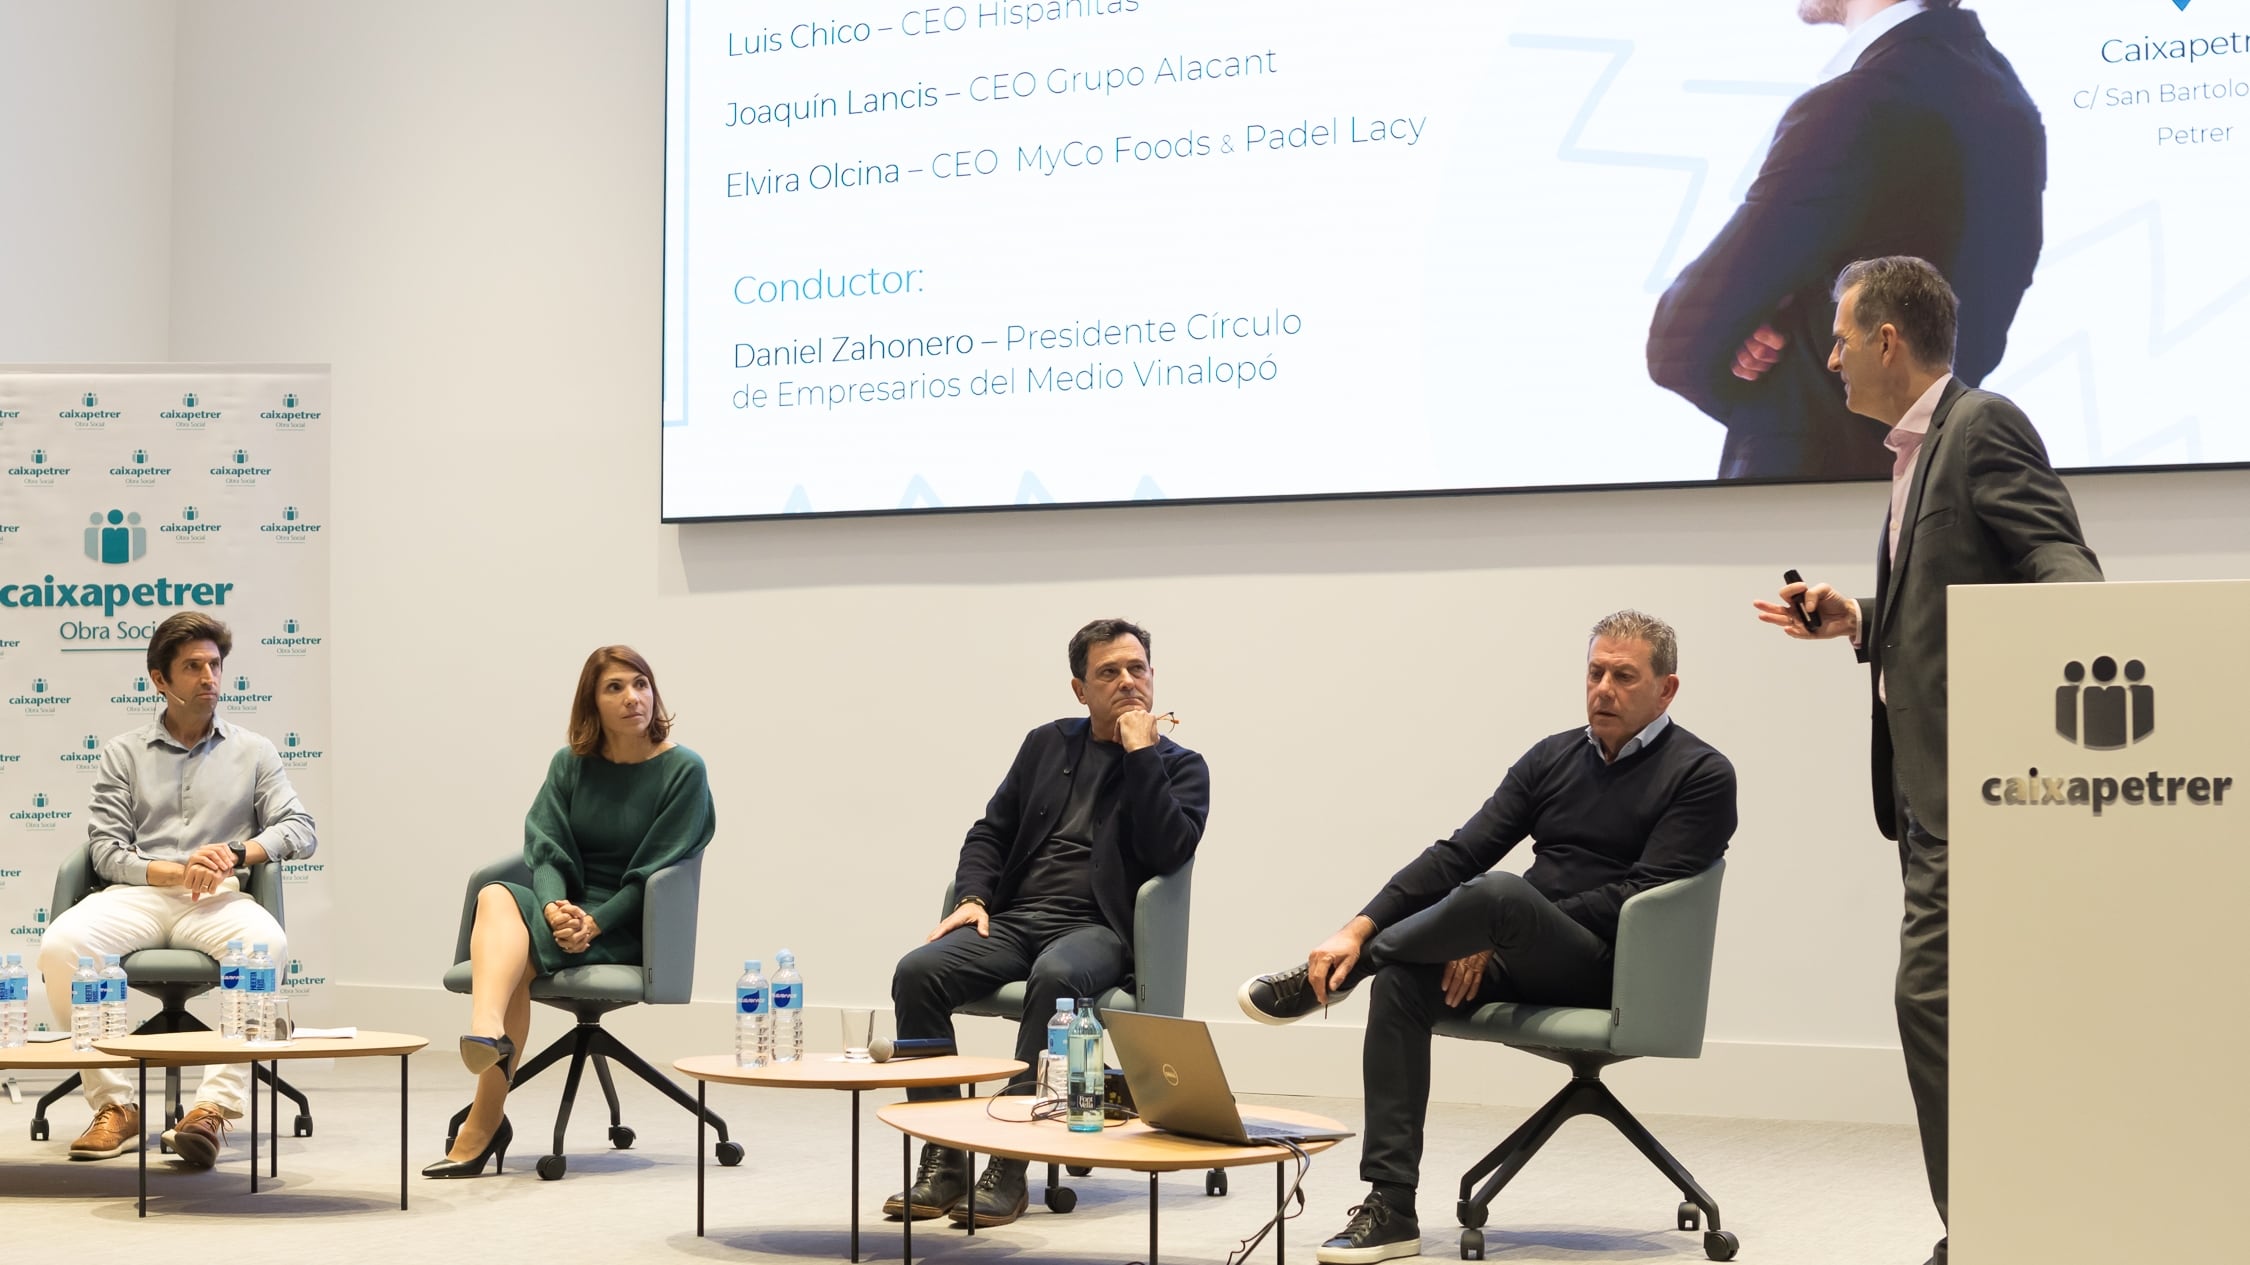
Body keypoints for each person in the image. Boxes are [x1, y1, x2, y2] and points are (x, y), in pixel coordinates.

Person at [1754, 256, 2100, 1265]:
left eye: (1841, 335)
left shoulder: (1980, 425)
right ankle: (1999, 1218)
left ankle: (1986, 1226)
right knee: (1968, 1009)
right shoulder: (1916, 454)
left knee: (1931, 1000)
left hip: (1983, 795)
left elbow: (2058, 563)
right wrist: (1858, 619)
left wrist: (2081, 643)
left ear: (1889, 340)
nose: (1829, 355)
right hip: (1925, 799)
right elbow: (1943, 607)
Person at [1238, 611, 1736, 1264]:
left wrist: (1502, 927)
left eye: (1623, 675)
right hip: (1522, 944)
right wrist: (1356, 925)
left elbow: (1635, 899)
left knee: (1500, 893)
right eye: (1594, 672)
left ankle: (1335, 977)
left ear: (1666, 690)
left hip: (1617, 968)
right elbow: (1460, 852)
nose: (1603, 689)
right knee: (1404, 982)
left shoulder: (1701, 773)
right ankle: (1391, 1205)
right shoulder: (1552, 757)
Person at [885, 618, 1209, 1228]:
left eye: (1137, 669)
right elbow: (991, 830)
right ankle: (945, 1155)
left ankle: (1009, 1165)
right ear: (1079, 689)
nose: (1126, 683)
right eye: (1108, 672)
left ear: (1154, 677)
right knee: (918, 972)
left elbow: (1169, 853)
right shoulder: (1046, 744)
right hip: (1017, 918)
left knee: (1056, 974)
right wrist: (976, 895)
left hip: (1100, 930)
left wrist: (1141, 753)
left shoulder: (1182, 767)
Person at [1648, 0, 2044, 481]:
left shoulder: (1859, 101)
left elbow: (1679, 339)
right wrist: (1790, 320)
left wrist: (1784, 391)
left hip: (1806, 498)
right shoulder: (2003, 94)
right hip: (1921, 484)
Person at [422, 645, 715, 1177]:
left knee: (512, 957)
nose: (633, 698)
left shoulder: (683, 769)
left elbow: (657, 868)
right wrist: (557, 907)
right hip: (565, 915)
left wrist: (596, 920)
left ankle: (484, 1123)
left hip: (631, 926)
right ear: (592, 704)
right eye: (615, 688)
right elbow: (545, 846)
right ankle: (486, 1031)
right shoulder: (571, 764)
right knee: (496, 894)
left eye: (641, 684)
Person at [37, 612, 317, 1169]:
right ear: (159, 679)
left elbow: (300, 829)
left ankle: (211, 1111)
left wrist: (236, 855)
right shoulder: (123, 752)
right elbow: (107, 852)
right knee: (61, 948)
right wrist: (174, 870)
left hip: (218, 899)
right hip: (137, 895)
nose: (209, 677)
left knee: (265, 948)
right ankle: (115, 1105)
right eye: (193, 667)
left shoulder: (255, 751)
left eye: (214, 665)